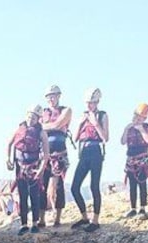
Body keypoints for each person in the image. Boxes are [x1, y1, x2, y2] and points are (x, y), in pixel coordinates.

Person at [6, 106, 50, 233]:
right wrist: (8, 159)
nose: (31, 119)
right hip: (20, 167)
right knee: (22, 195)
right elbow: (10, 144)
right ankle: (23, 224)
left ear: (38, 119)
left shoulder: (41, 133)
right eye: (30, 117)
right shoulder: (19, 130)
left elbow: (46, 153)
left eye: (34, 117)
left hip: (33, 167)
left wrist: (41, 169)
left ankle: (35, 223)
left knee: (34, 195)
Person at [70, 87, 109, 232]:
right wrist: (81, 123)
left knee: (94, 186)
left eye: (91, 103)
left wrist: (95, 123)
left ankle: (95, 220)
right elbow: (74, 138)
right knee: (75, 187)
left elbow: (105, 137)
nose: (88, 105)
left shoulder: (102, 115)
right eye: (87, 103)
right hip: (84, 151)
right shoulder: (83, 115)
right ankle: (84, 216)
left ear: (97, 102)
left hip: (96, 152)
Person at [40, 85, 72, 227]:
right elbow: (39, 127)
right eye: (49, 97)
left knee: (58, 186)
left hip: (59, 153)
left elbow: (59, 124)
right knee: (42, 185)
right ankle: (41, 219)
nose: (51, 99)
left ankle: (57, 217)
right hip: (44, 154)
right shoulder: (43, 112)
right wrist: (52, 125)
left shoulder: (66, 110)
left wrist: (46, 126)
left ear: (59, 96)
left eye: (53, 96)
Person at [121, 103, 148, 218]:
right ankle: (133, 208)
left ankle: (143, 208)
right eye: (137, 116)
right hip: (130, 158)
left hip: (142, 159)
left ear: (145, 117)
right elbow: (123, 141)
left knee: (142, 182)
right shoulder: (129, 127)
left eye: (141, 116)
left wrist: (141, 129)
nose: (138, 118)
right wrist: (126, 129)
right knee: (132, 184)